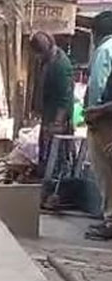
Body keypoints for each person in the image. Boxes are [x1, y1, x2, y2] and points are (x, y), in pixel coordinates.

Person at [30, 32, 74, 178]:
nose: (38, 58)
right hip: (48, 116)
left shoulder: (61, 65)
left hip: (58, 120)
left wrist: (57, 123)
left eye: (39, 54)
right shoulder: (47, 62)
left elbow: (64, 97)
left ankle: (58, 187)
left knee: (58, 158)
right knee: (46, 156)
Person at [85, 11, 112, 240]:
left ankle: (109, 220)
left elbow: (98, 87)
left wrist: (93, 115)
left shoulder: (104, 51)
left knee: (105, 172)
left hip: (104, 123)